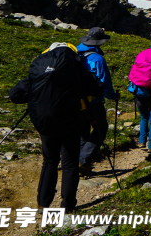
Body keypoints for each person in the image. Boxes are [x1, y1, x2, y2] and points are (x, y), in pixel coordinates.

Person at [8, 42, 101, 212]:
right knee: (70, 163)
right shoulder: (76, 65)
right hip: (71, 121)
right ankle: (67, 205)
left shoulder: (40, 65)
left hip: (45, 122)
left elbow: (15, 94)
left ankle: (43, 203)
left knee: (49, 161)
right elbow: (95, 88)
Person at [76, 27, 119, 175]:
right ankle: (82, 160)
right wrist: (113, 97)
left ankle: (81, 164)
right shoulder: (97, 59)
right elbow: (104, 84)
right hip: (92, 101)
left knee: (83, 131)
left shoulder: (75, 53)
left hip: (76, 100)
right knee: (101, 127)